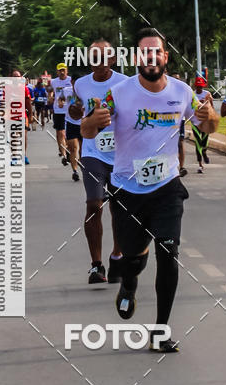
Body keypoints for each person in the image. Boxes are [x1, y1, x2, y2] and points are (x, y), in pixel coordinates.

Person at [82, 27, 218, 352]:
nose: (151, 57)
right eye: (144, 52)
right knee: (132, 260)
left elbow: (208, 125)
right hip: (128, 189)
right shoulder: (119, 92)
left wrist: (209, 115)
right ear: (137, 58)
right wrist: (94, 119)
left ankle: (161, 331)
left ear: (165, 57)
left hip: (167, 187)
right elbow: (87, 130)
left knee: (169, 253)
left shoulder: (183, 91)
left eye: (156, 52)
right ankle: (128, 284)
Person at [76, 40, 127, 284]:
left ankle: (117, 255)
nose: (98, 61)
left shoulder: (125, 84)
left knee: (119, 209)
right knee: (94, 205)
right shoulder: (81, 84)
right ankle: (96, 265)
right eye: (93, 56)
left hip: (121, 155)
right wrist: (79, 113)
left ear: (112, 59)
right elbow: (79, 113)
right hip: (92, 152)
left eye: (103, 56)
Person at [62, 73, 82, 182]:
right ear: (71, 82)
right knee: (73, 148)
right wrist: (60, 103)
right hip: (71, 122)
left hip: (84, 123)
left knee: (83, 151)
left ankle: (84, 169)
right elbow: (60, 99)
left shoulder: (86, 91)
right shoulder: (66, 91)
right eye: (75, 83)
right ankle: (75, 171)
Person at [10, 70, 32, 164]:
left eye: (18, 76)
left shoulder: (24, 88)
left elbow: (28, 103)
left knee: (24, 136)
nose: (16, 78)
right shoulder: (7, 89)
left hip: (23, 115)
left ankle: (24, 155)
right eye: (14, 76)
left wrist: (30, 115)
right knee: (14, 136)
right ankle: (14, 157)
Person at [50, 62, 70, 164]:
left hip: (70, 110)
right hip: (58, 110)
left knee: (67, 134)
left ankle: (65, 148)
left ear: (67, 70)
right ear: (57, 72)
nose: (62, 72)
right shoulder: (53, 82)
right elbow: (50, 90)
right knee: (60, 133)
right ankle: (64, 155)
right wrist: (50, 97)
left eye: (64, 70)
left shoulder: (71, 80)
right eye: (60, 70)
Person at [191, 75, 211, 173]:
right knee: (198, 142)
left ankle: (204, 152)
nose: (199, 88)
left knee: (205, 143)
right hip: (195, 122)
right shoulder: (192, 95)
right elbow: (189, 108)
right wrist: (197, 104)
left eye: (201, 86)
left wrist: (206, 102)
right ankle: (200, 164)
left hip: (205, 122)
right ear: (195, 86)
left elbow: (211, 107)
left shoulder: (207, 94)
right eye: (198, 86)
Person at [173, 73, 188, 176]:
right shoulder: (165, 90)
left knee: (180, 142)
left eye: (178, 78)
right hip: (168, 121)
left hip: (180, 120)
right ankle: (172, 167)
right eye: (174, 78)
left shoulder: (183, 91)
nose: (176, 80)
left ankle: (181, 167)